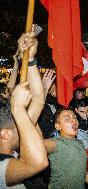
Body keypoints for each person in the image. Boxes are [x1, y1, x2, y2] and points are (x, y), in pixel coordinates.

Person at [0, 32, 48, 188]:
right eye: (18, 127)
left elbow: (38, 100)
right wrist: (19, 109)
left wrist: (30, 59)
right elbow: (37, 163)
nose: (23, 128)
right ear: (6, 134)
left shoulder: (9, 152)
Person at [41, 108, 88, 189]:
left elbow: (81, 170)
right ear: (58, 126)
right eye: (67, 118)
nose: (74, 120)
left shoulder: (80, 143)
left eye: (74, 117)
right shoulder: (56, 143)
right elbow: (37, 145)